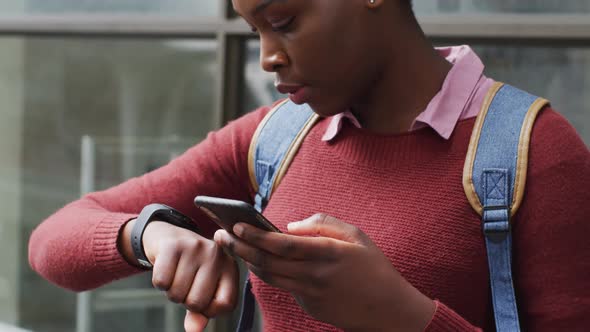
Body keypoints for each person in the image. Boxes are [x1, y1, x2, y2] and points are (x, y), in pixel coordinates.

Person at [29, 0, 590, 331]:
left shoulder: (532, 151)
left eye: (285, 19)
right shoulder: (276, 136)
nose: (268, 55)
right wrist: (146, 235)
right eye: (254, 30)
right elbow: (53, 243)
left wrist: (405, 317)